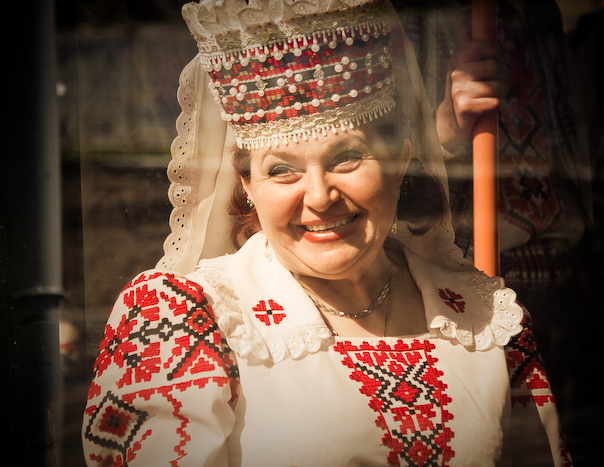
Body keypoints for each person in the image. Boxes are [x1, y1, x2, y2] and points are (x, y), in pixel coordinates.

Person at [81, 1, 571, 465]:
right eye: (281, 170)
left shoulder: (487, 318)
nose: (319, 197)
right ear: (247, 184)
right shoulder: (179, 321)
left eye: (346, 158)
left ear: (401, 162)